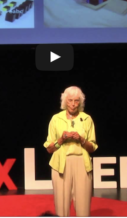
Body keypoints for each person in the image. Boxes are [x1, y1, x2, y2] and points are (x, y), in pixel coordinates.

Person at [44, 86, 98, 217]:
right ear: (64, 101)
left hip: (82, 163)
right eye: (70, 100)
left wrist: (81, 139)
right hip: (61, 164)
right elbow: (49, 149)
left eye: (76, 100)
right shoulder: (56, 119)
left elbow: (92, 147)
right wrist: (61, 139)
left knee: (83, 205)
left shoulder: (87, 119)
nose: (73, 104)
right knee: (61, 205)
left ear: (80, 102)